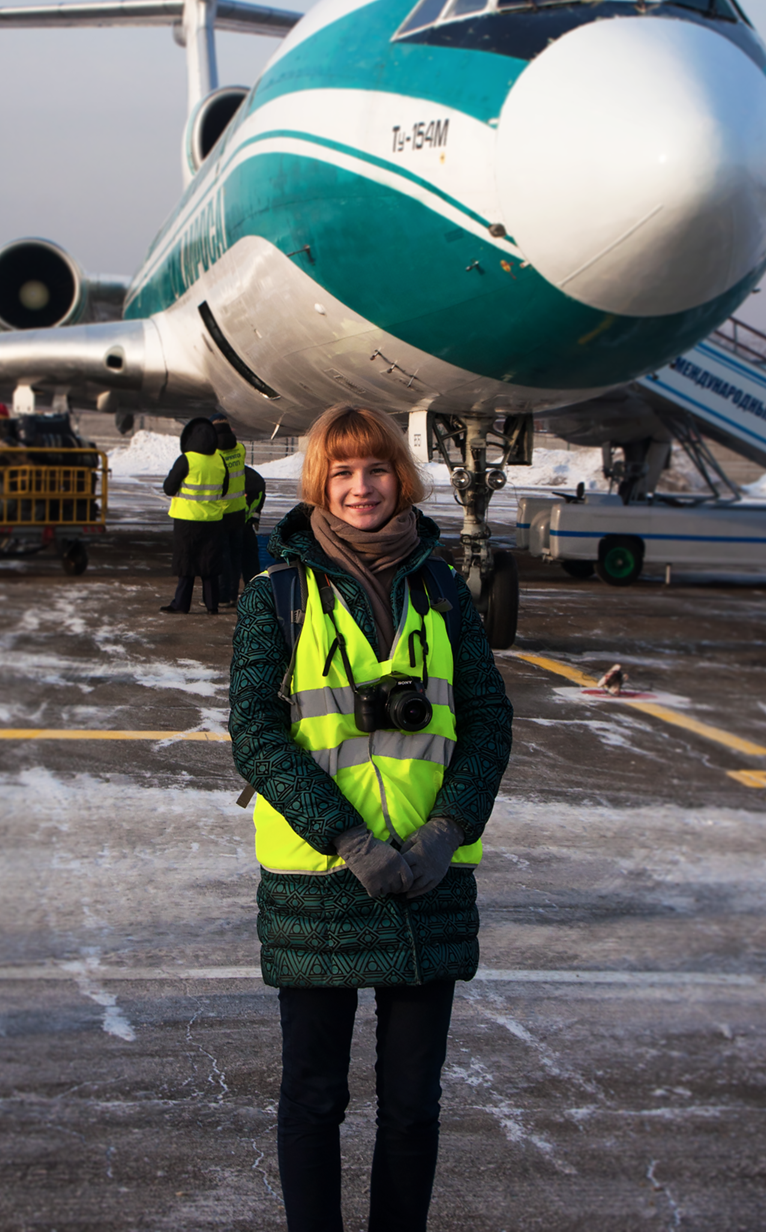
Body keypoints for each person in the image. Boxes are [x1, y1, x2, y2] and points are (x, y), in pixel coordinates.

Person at [229, 403, 513, 1232]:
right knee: (314, 1098)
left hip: (430, 879)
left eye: (377, 469)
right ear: (320, 481)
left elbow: (489, 720)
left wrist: (447, 829)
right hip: (319, 882)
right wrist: (347, 837)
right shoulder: (275, 596)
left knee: (414, 1106)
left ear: (402, 477)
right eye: (343, 472)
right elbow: (255, 732)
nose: (361, 487)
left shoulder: (446, 592)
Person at [160, 417, 228, 614]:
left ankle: (181, 604)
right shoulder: (219, 460)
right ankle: (212, 605)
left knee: (186, 563)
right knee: (210, 563)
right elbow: (224, 490)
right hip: (213, 520)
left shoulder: (186, 460)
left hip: (187, 520)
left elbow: (168, 488)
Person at [213, 412, 247, 605]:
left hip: (221, 511)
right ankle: (233, 594)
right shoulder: (240, 450)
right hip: (239, 510)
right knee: (236, 555)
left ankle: (222, 595)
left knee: (222, 555)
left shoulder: (215, 455)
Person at [240, 462, 266, 585]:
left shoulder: (254, 483)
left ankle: (226, 594)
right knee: (250, 556)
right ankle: (253, 586)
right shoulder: (256, 481)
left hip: (235, 524)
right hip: (243, 524)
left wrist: (254, 518)